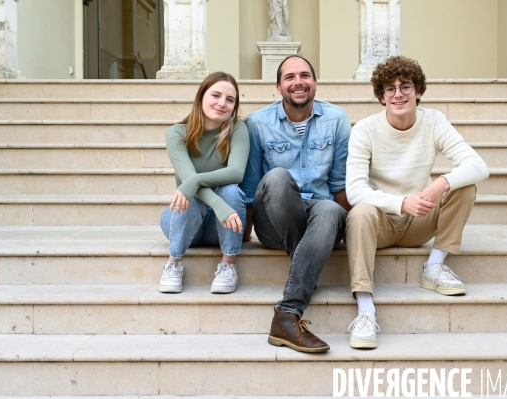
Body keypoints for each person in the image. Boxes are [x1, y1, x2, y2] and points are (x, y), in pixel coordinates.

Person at [345, 56, 489, 349]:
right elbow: (355, 191)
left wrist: (441, 183)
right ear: (381, 96)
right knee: (359, 213)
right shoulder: (365, 129)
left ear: (418, 91)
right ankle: (365, 309)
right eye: (389, 89)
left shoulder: (433, 121)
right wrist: (401, 203)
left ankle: (434, 267)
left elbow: (478, 165)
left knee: (463, 186)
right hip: (381, 223)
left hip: (420, 220)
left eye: (405, 86)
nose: (398, 94)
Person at [241, 55, 351, 353]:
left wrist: (355, 226)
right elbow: (252, 187)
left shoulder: (336, 119)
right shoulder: (257, 123)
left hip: (319, 218)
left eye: (305, 75)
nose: (298, 82)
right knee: (276, 177)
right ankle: (305, 263)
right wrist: (243, 233)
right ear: (278, 87)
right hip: (274, 221)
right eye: (290, 77)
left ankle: (287, 314)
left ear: (314, 83)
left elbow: (340, 183)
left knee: (331, 209)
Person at [159, 72, 249, 295]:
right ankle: (174, 263)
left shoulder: (237, 129)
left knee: (229, 190)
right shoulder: (177, 133)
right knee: (192, 196)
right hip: (182, 218)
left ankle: (228, 265)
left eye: (230, 99)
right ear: (201, 97)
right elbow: (188, 183)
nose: (222, 103)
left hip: (219, 226)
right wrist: (217, 204)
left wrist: (196, 181)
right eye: (216, 95)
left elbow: (236, 173)